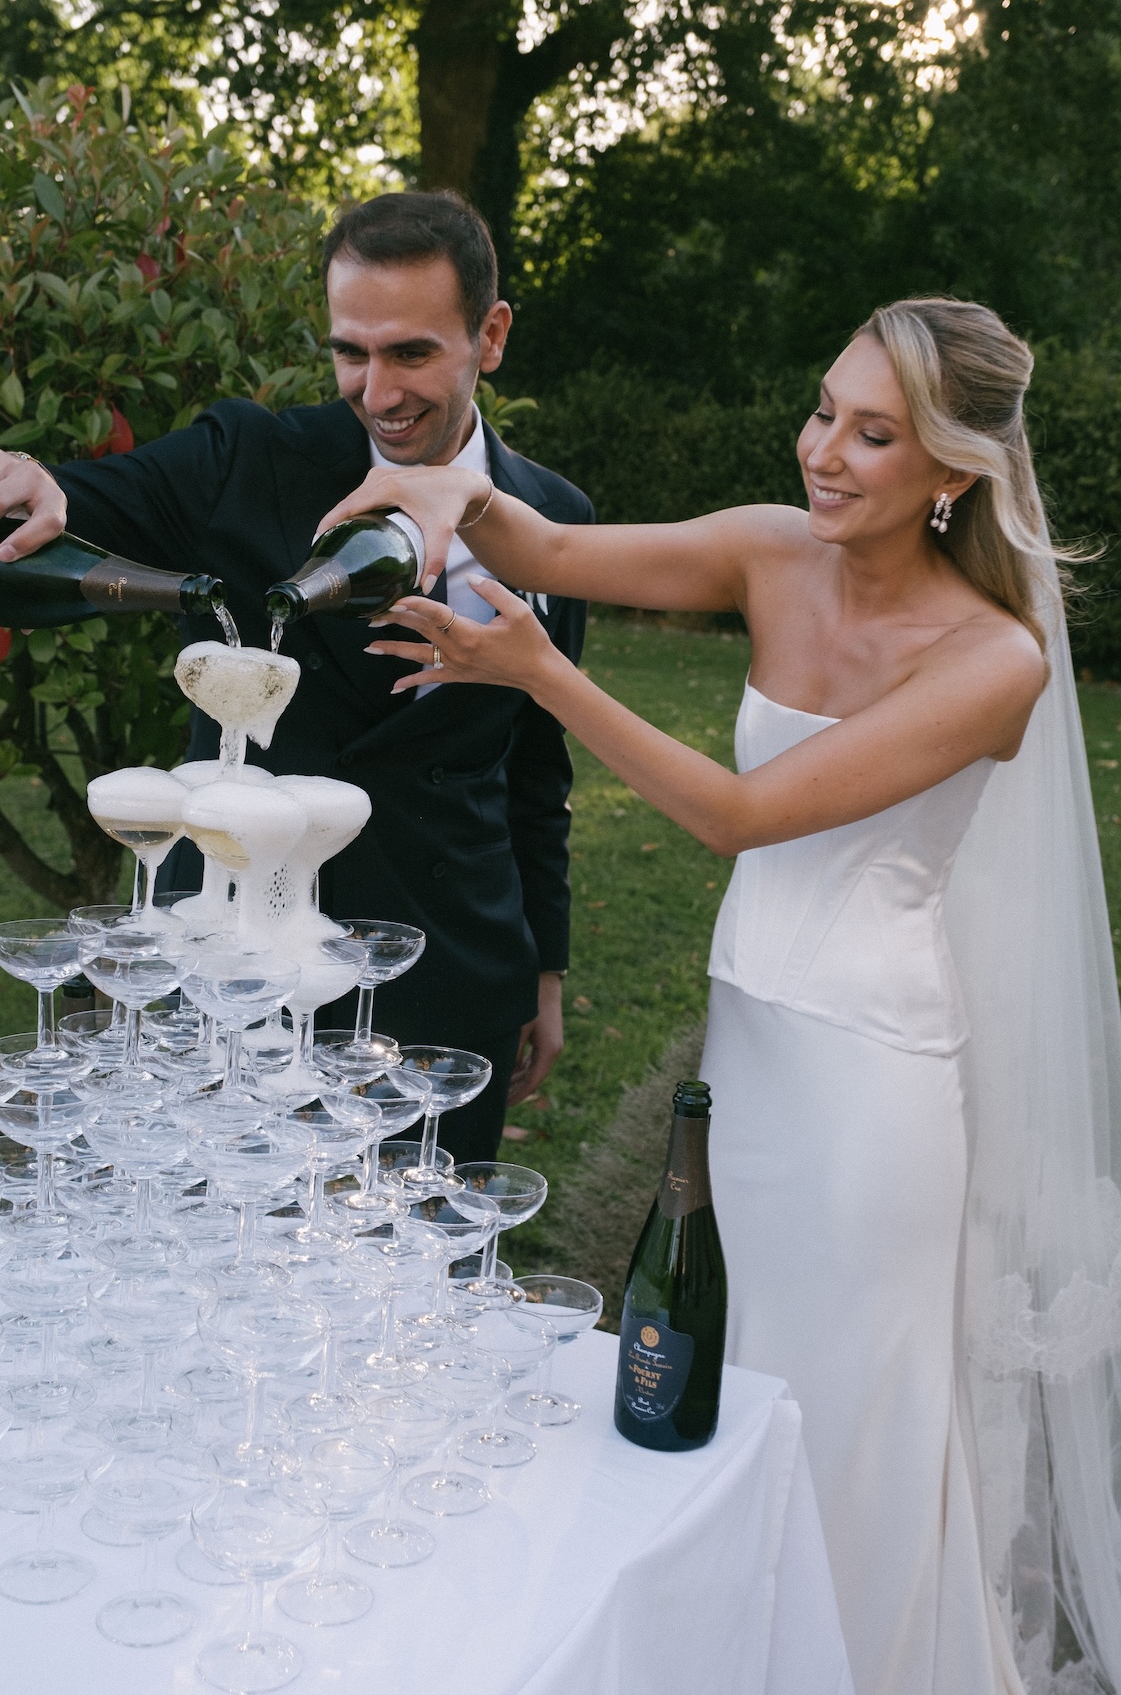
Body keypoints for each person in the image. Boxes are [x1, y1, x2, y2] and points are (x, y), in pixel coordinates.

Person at [310, 296, 1121, 1695]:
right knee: (726, 1400)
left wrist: (542, 673)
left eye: (875, 435)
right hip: (751, 1066)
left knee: (843, 1428)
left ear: (955, 471)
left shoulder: (996, 662)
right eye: (824, 411)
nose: (825, 451)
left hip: (873, 1098)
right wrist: (456, 492)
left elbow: (744, 817)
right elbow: (551, 550)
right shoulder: (770, 547)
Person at [0, 190, 593, 1163]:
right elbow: (61, 511)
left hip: (451, 975)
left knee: (419, 1251)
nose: (377, 392)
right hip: (236, 973)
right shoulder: (246, 458)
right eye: (350, 352)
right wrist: (19, 484)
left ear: (489, 336)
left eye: (411, 353)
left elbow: (537, 770)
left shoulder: (557, 518)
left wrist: (542, 968)